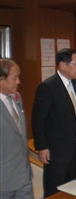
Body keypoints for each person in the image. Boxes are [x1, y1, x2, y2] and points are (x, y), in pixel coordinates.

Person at [32, 48, 76, 198]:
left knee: (70, 189)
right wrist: (42, 147)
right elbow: (38, 119)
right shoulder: (48, 87)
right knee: (54, 191)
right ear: (62, 65)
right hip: (54, 150)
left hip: (72, 147)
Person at [0, 59, 34, 198]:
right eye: (14, 77)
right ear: (1, 80)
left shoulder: (16, 97)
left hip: (23, 174)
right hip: (3, 181)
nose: (18, 81)